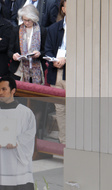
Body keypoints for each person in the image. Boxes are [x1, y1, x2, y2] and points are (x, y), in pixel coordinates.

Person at [44, 0, 65, 143]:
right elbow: (48, 49)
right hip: (56, 71)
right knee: (60, 109)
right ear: (63, 9)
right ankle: (64, 141)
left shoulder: (83, 29)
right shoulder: (53, 28)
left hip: (73, 74)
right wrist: (54, 60)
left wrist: (66, 59)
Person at [8, 3, 45, 85]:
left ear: (34, 18)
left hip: (36, 70)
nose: (26, 22)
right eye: (24, 20)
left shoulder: (42, 31)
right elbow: (9, 51)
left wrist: (39, 53)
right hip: (19, 70)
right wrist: (13, 55)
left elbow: (45, 50)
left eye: (29, 20)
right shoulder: (16, 30)